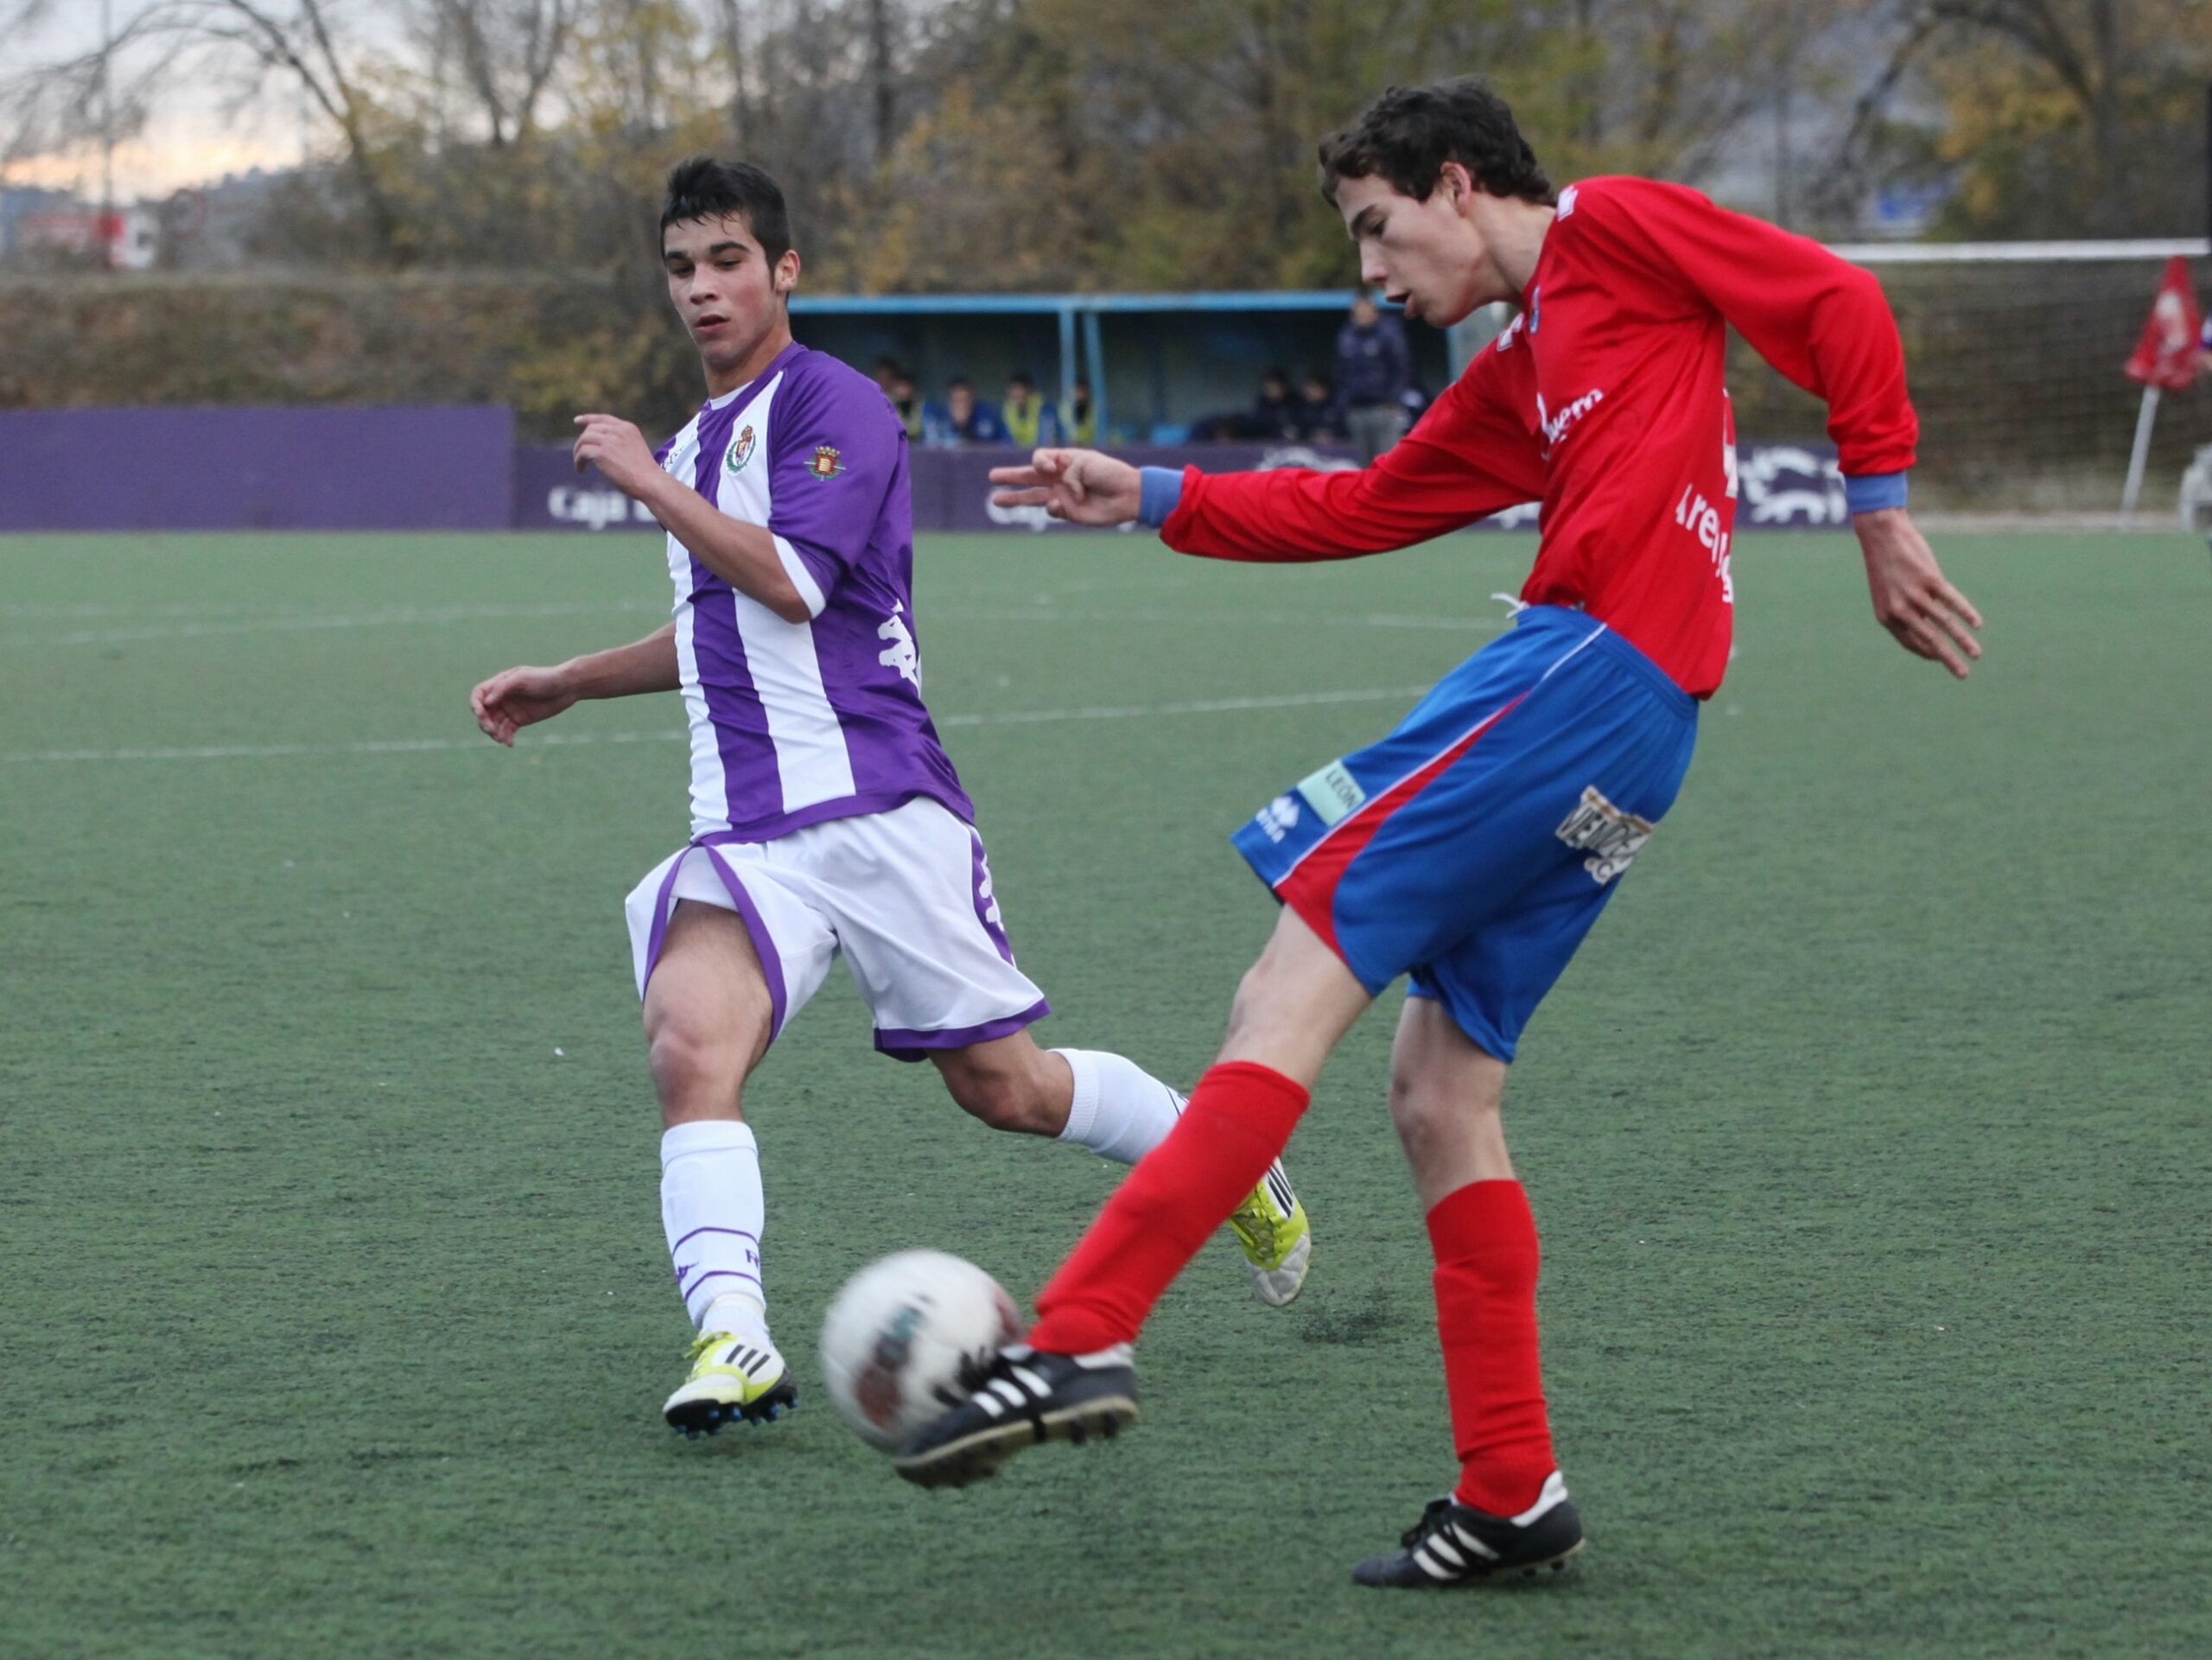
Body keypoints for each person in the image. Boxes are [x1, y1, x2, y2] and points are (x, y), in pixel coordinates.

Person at [899, 78, 1982, 1589]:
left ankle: (1076, 1338)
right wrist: (1148, 491)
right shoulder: (1522, 371)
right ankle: (1513, 1487)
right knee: (1440, 1089)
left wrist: (1878, 508)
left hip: (1587, 672)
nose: (1372, 275)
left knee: (1288, 990)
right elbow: (1364, 504)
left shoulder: (1618, 229)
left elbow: (1840, 303)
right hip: (1637, 726)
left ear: (1458, 186)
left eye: (1377, 230)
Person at [467, 158, 1313, 1440]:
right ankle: (733, 1339)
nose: (703, 289)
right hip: (747, 829)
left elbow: (795, 585)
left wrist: (646, 481)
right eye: (682, 268)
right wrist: (576, 679)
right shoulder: (695, 446)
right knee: (688, 1046)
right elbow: (718, 628)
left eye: (728, 262)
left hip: (881, 807)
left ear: (784, 269)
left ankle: (1228, 1160)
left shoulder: (836, 405)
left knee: (1007, 1090)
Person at [1338, 292, 1413, 461]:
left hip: (1383, 408)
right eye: (1359, 312)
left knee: (1387, 461)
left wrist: (1393, 400)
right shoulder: (1346, 338)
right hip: (1357, 410)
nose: (1363, 315)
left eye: (1366, 311)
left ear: (1375, 312)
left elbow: (1401, 369)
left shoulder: (1388, 335)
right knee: (1364, 464)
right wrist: (1344, 405)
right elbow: (1341, 373)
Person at [923, 377, 1008, 446]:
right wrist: (959, 426)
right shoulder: (940, 418)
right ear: (950, 402)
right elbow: (930, 449)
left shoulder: (988, 415)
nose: (962, 405)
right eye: (957, 401)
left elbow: (1007, 444)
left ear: (973, 400)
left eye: (965, 400)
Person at [1001, 372, 1058, 448]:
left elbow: (1046, 440)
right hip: (1017, 455)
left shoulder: (1044, 408)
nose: (1018, 394)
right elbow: (1007, 441)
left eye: (1021, 389)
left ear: (1029, 391)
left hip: (1039, 453)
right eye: (1014, 389)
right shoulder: (1007, 410)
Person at [1291, 372, 1341, 443]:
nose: (1308, 391)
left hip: (1334, 449)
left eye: (1313, 387)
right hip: (1306, 449)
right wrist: (1312, 435)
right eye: (1307, 388)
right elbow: (1295, 430)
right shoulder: (1300, 408)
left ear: (1323, 389)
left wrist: (1331, 434)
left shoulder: (1335, 407)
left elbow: (1344, 430)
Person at [1063, 378, 1097, 444]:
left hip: (1090, 445)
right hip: (1071, 445)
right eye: (1078, 391)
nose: (1081, 394)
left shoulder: (1093, 408)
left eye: (1083, 391)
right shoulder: (1066, 408)